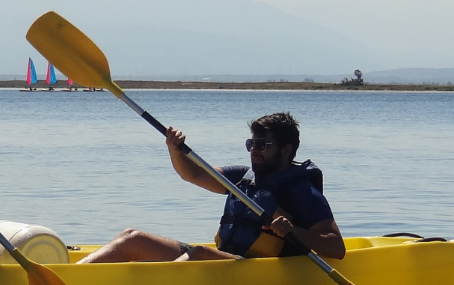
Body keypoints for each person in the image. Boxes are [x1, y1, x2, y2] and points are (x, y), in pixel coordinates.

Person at [78, 112, 345, 263]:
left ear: (286, 150)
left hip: (254, 269)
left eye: (262, 146)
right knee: (132, 237)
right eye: (251, 144)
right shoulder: (243, 177)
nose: (254, 151)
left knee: (200, 254)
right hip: (225, 259)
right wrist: (174, 149)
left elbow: (336, 248)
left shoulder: (302, 191)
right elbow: (193, 173)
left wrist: (292, 230)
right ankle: (71, 276)